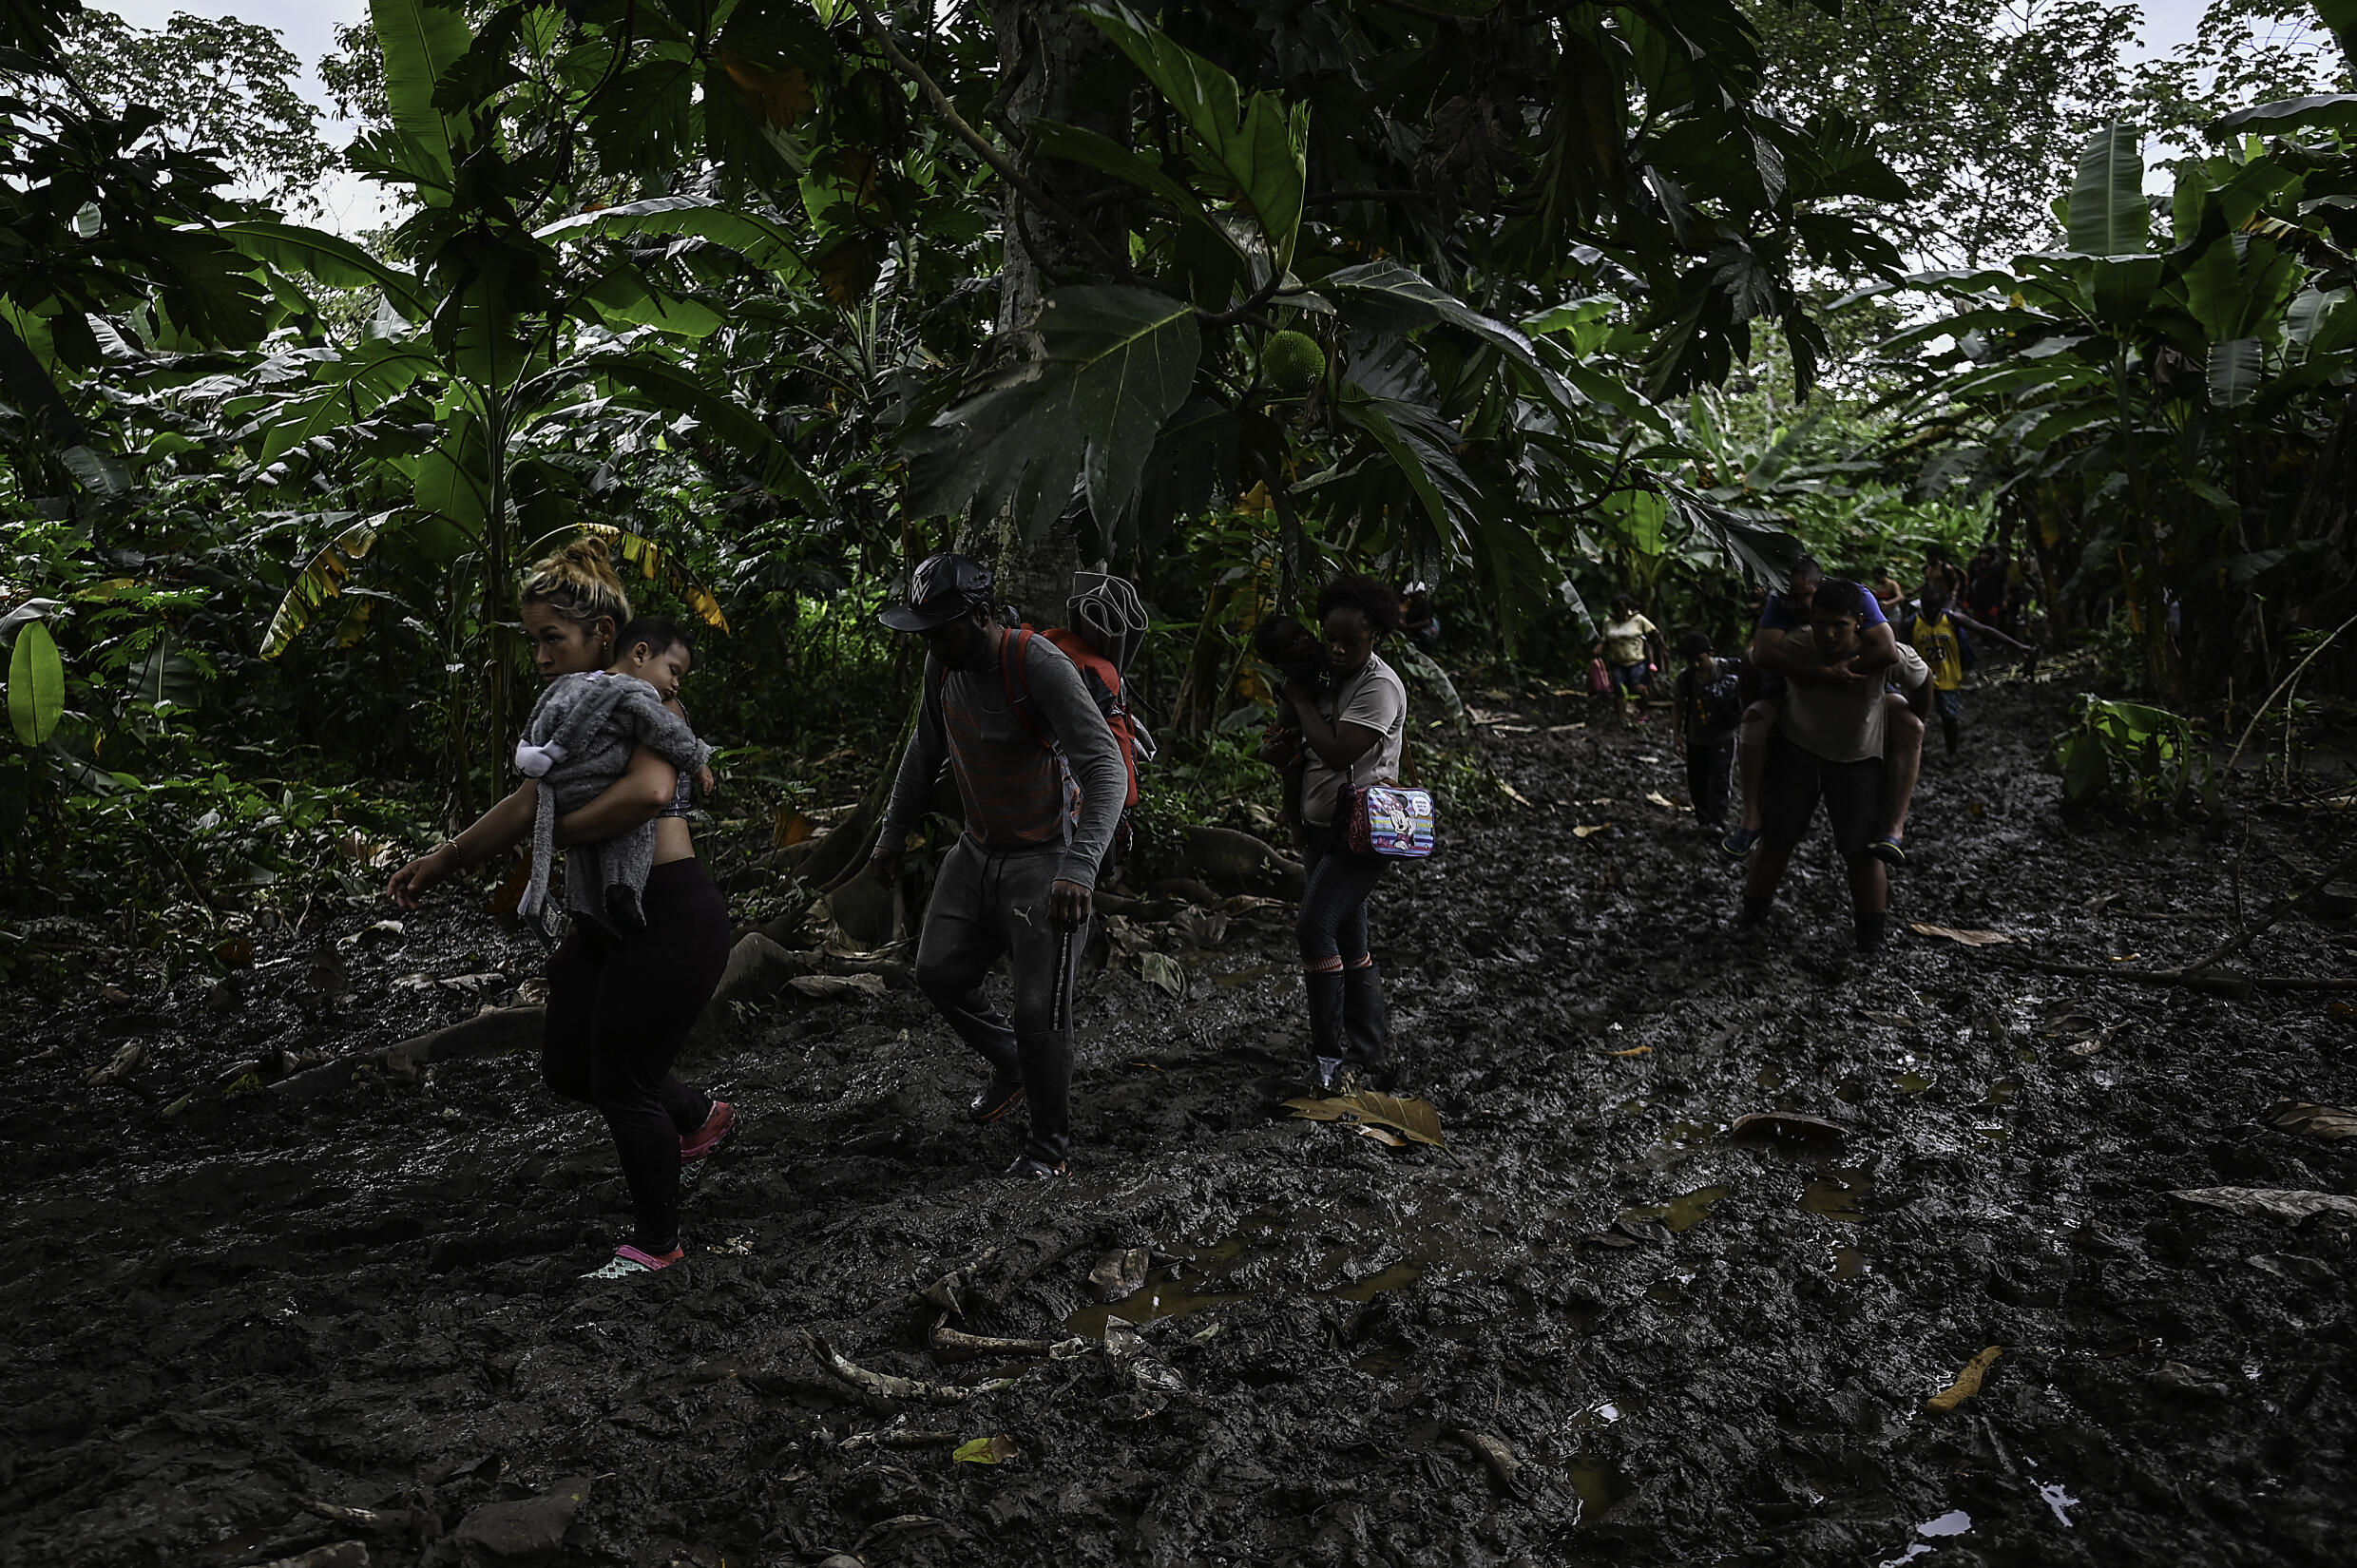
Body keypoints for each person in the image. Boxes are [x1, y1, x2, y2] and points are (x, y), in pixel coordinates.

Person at [387, 540, 735, 1281]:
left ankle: (656, 1246)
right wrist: (445, 859)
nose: (541, 655)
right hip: (608, 917)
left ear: (604, 636)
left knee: (621, 1081)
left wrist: (554, 837)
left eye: (554, 639)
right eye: (534, 639)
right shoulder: (573, 707)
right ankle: (698, 1115)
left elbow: (645, 793)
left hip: (668, 908)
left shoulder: (649, 696)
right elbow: (527, 801)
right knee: (569, 1065)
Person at [869, 553, 1125, 1180]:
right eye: (927, 631)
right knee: (938, 972)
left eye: (944, 629)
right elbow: (924, 748)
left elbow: (1106, 771)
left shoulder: (1035, 664)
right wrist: (891, 833)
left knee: (1041, 1012)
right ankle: (1012, 1065)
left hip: (1046, 858)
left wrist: (1078, 870)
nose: (933, 643)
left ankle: (1048, 1151)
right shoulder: (942, 661)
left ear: (979, 616)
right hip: (977, 850)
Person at [1742, 581, 1932, 951]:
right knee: (1778, 839)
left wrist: (1910, 721)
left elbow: (1922, 678)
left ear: (1857, 622)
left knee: (1862, 852)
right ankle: (1752, 916)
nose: (1828, 634)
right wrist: (1751, 705)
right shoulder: (1797, 645)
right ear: (1810, 619)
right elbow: (1754, 659)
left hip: (1857, 759)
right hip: (1798, 753)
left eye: (1839, 626)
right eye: (1821, 623)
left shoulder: (1882, 653)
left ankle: (1871, 937)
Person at [1279, 575, 1410, 1090]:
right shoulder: (1326, 677)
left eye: (1348, 642)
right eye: (1328, 638)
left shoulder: (1379, 686)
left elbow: (1337, 749)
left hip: (1364, 832)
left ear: (1374, 636)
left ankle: (1329, 1060)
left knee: (1314, 929)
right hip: (1320, 827)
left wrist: (1300, 699)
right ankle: (1369, 1051)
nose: (1335, 649)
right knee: (1350, 937)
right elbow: (1296, 747)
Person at [512, 618, 712, 935]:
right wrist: (698, 758)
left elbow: (539, 722)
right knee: (631, 830)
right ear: (640, 653)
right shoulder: (633, 695)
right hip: (590, 799)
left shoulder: (572, 688)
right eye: (673, 672)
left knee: (596, 849)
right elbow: (661, 753)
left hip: (565, 791)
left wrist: (531, 756)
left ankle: (588, 906)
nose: (676, 686)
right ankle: (611, 895)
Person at [1723, 556, 1925, 867]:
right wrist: (1820, 674)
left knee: (1911, 726)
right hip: (1798, 679)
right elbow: (1760, 655)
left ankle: (1894, 829)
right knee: (1755, 719)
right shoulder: (1781, 601)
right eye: (1794, 597)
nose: (1802, 604)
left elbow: (1887, 651)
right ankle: (1750, 817)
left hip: (1861, 682)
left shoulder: (1856, 597)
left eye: (1808, 596)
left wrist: (1846, 670)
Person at [1897, 585, 2030, 757]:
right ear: (1921, 604)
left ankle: (1952, 753)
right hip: (1921, 679)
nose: (1930, 610)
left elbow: (1985, 630)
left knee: (1949, 718)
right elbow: (1900, 649)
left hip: (1948, 677)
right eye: (1927, 606)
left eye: (1934, 606)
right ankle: (1911, 753)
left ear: (1941, 605)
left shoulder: (1952, 618)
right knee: (1915, 717)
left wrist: (2018, 646)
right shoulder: (1911, 624)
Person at [1255, 613, 1326, 851]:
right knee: (1292, 774)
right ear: (1280, 658)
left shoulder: (1310, 656)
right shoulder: (1299, 668)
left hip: (1297, 729)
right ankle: (1292, 818)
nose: (1304, 640)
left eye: (1302, 633)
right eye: (1294, 642)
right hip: (1287, 732)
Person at [1671, 630, 1743, 829]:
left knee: (1720, 780)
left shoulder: (1729, 668)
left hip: (1723, 736)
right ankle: (1704, 822)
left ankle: (1717, 821)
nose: (1695, 665)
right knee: (1697, 782)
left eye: (1699, 660)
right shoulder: (1685, 679)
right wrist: (1677, 736)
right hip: (1696, 737)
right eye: (1690, 661)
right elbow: (1678, 706)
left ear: (1710, 652)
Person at [1593, 594, 1665, 726]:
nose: (1620, 613)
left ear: (1628, 608)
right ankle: (1621, 718)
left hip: (1637, 660)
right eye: (1617, 610)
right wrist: (1600, 648)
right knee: (1618, 689)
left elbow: (1654, 632)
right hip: (1617, 661)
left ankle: (1642, 712)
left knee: (1639, 687)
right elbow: (1605, 639)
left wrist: (1650, 645)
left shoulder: (1638, 620)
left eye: (1623, 609)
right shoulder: (1608, 622)